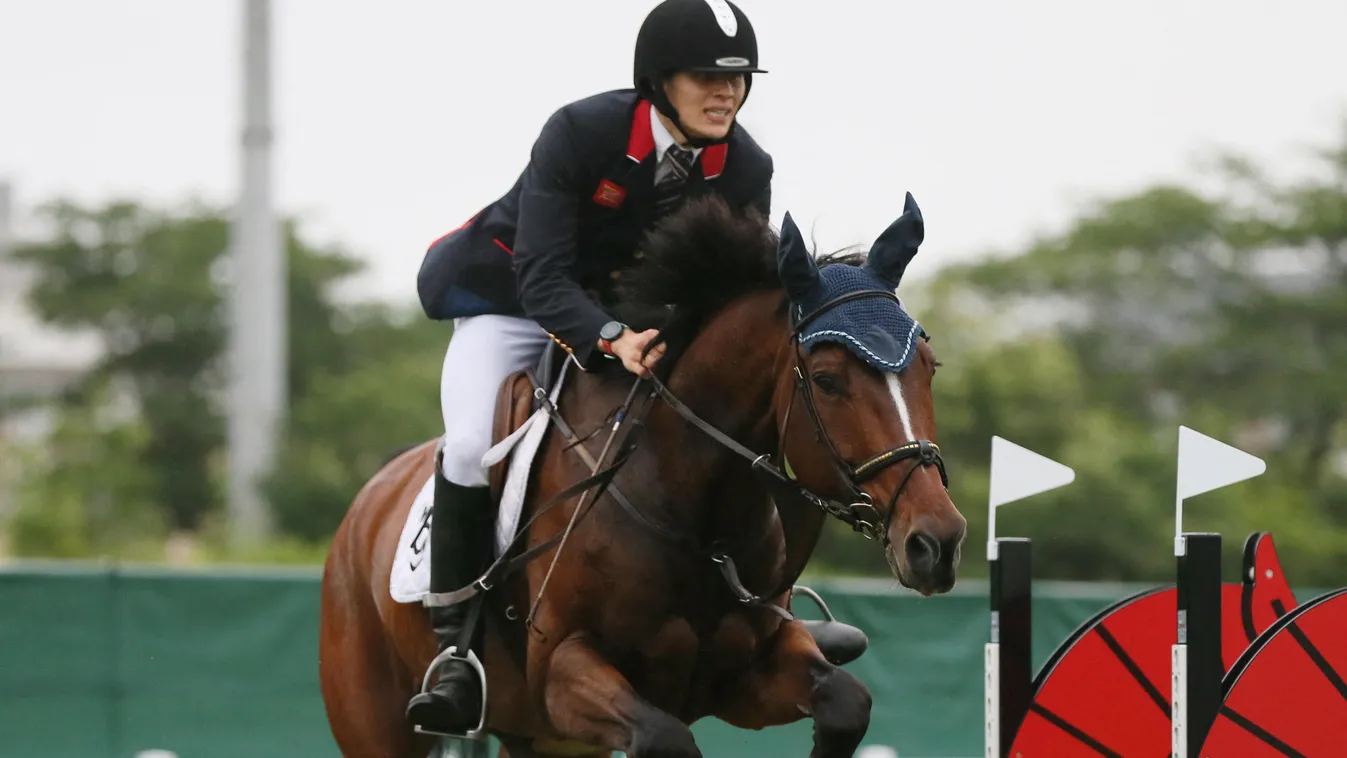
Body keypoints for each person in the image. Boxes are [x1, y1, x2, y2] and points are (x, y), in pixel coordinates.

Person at [405, 0, 776, 737]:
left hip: (637, 323)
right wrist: (609, 338)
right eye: (705, 75)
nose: (725, 93)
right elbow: (544, 276)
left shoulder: (746, 165)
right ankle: (455, 651)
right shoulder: (582, 132)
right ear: (656, 81)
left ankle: (761, 608)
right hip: (511, 299)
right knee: (475, 443)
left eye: (737, 79)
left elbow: (729, 294)